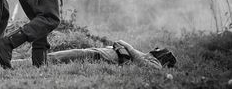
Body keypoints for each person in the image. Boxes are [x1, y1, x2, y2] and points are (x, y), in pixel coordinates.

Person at [39, 40, 177, 69]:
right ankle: (25, 61)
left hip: (98, 56)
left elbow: (151, 67)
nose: (156, 49)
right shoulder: (147, 57)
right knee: (54, 57)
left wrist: (128, 47)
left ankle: (21, 62)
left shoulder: (155, 64)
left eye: (159, 51)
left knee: (52, 58)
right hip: (97, 52)